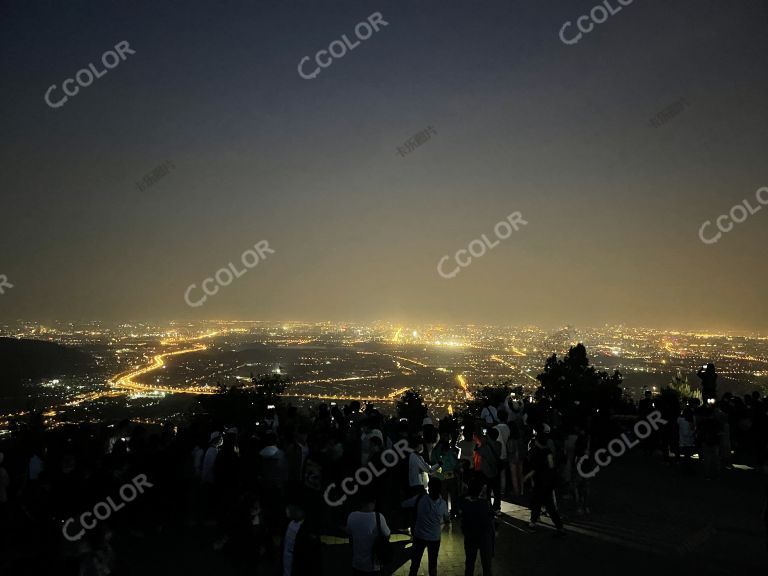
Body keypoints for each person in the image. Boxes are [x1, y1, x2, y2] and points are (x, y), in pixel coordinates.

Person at [402, 477, 450, 576]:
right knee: (433, 565)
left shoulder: (420, 499)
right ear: (440, 489)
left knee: (415, 563)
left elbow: (404, 504)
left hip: (419, 536)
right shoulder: (443, 504)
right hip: (434, 538)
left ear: (428, 487)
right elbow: (446, 519)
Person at [524, 426, 565, 536]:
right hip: (548, 482)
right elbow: (551, 466)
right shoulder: (548, 452)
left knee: (536, 503)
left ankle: (533, 523)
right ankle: (560, 527)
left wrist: (526, 477)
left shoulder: (536, 454)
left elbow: (534, 470)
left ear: (537, 442)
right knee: (550, 506)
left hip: (539, 482)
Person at [346, 489, 390, 576]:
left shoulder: (352, 516)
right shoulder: (378, 517)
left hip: (356, 564)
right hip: (374, 565)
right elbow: (387, 535)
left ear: (361, 502)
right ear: (374, 502)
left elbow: (349, 534)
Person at [460, 477, 495, 576]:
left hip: (470, 537)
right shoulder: (485, 504)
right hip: (484, 537)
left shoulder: (465, 502)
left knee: (470, 564)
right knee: (487, 566)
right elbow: (491, 520)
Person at [281, 503, 319, 576]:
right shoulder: (291, 523)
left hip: (294, 554)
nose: (286, 513)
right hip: (287, 553)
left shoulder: (302, 527)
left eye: (288, 511)